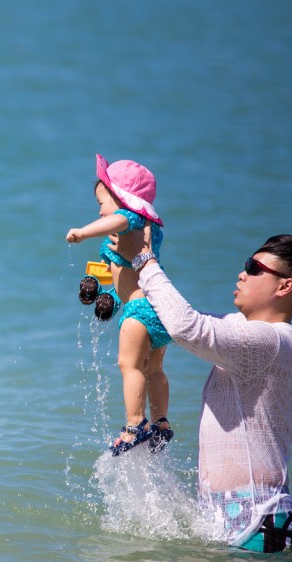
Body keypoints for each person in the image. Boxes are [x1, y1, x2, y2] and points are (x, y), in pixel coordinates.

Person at [113, 227, 292, 553]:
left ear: (285, 286)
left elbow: (188, 328)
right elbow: (173, 319)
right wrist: (125, 269)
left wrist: (145, 258)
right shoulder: (246, 332)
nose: (242, 274)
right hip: (238, 518)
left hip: (258, 518)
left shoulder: (275, 341)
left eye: (255, 268)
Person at [66, 155, 173, 455]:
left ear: (122, 199)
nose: (99, 210)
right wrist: (105, 298)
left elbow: (119, 219)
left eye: (102, 202)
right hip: (159, 308)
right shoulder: (141, 231)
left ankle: (135, 424)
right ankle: (161, 423)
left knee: (128, 365)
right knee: (154, 369)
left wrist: (83, 232)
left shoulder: (132, 221)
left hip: (139, 310)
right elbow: (116, 278)